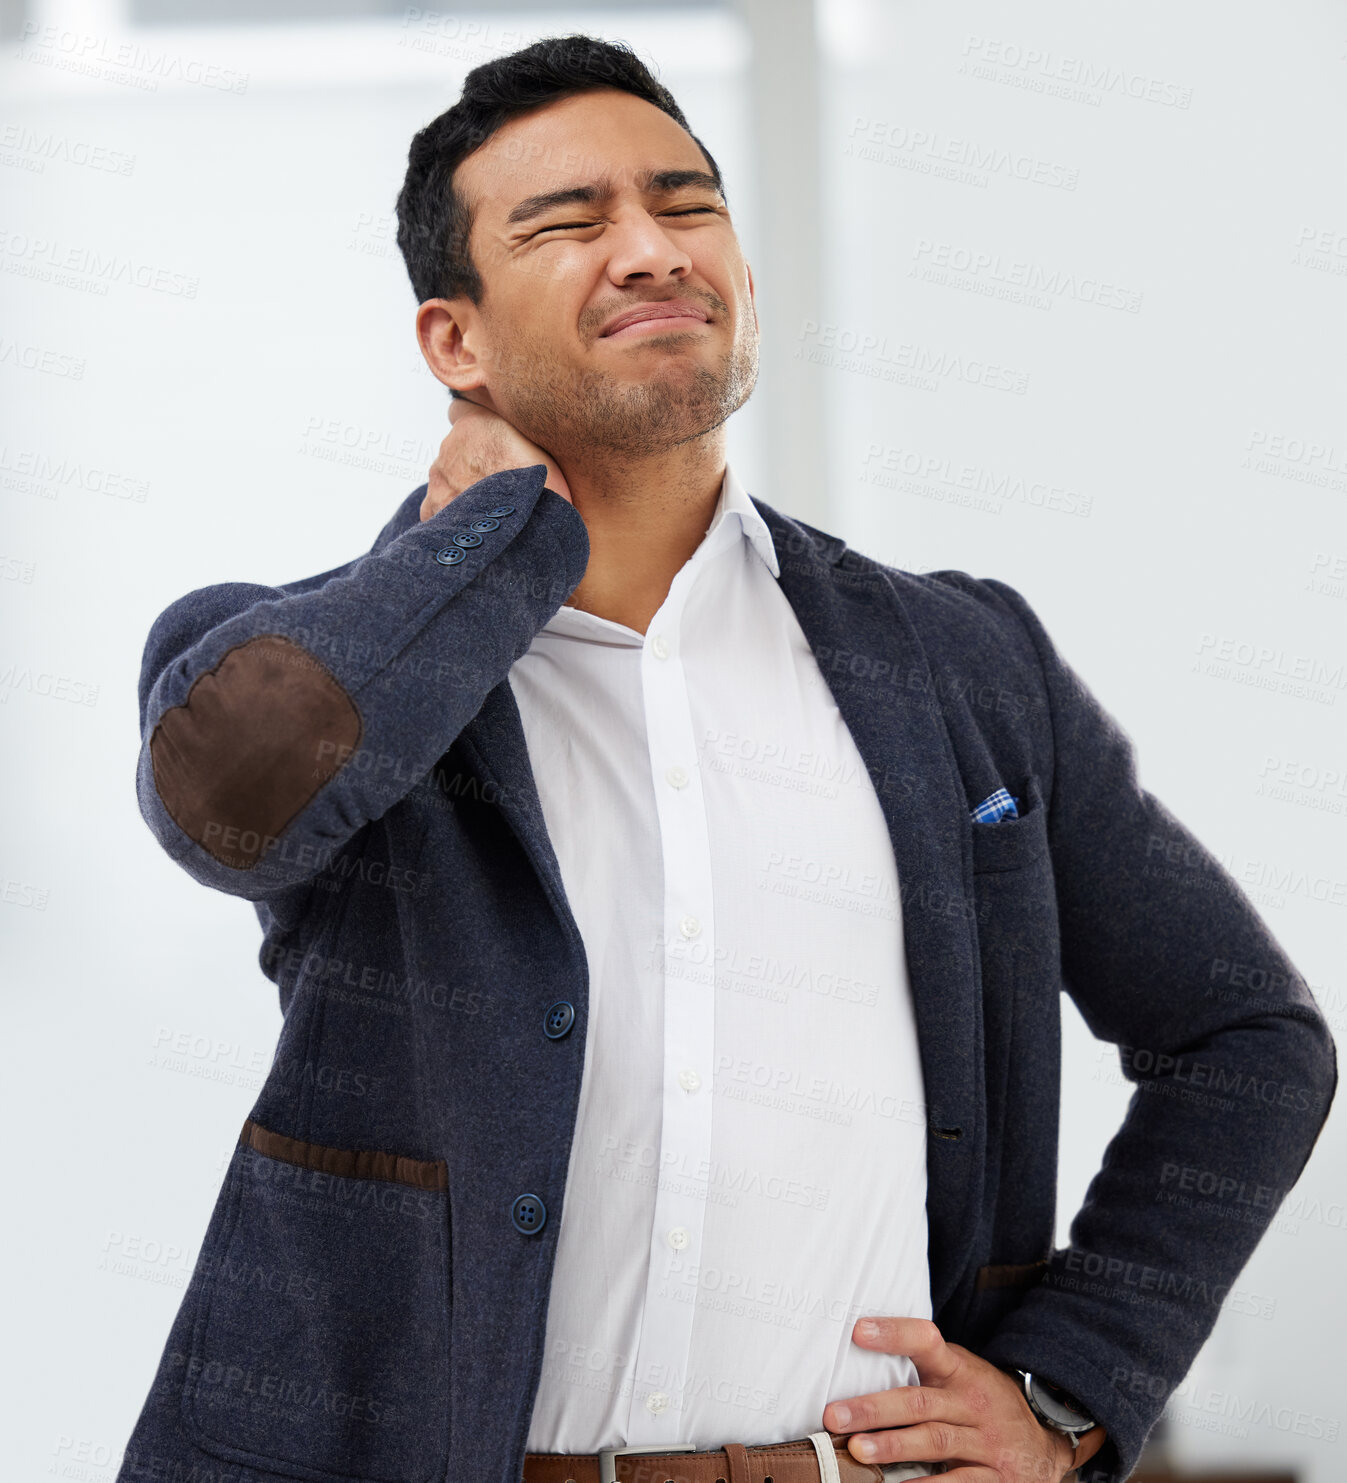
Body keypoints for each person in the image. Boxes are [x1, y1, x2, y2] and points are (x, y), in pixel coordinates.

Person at [115, 34, 1335, 1483]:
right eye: (569, 223)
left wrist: (1073, 1390)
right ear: (456, 342)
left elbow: (1250, 1039)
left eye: (688, 205)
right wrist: (490, 545)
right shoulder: (313, 662)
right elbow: (226, 810)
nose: (650, 248)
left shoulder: (954, 662)